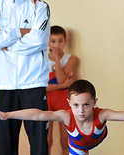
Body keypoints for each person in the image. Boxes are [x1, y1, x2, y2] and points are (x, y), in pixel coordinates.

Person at [0, 80, 124, 155]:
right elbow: (38, 114)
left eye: (86, 105)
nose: (81, 111)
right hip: (78, 146)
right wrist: (8, 114)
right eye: (76, 105)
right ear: (69, 103)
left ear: (95, 102)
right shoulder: (66, 116)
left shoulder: (101, 114)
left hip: (96, 136)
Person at [0, 0, 50, 155]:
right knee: (5, 146)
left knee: (39, 144)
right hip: (3, 85)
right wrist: (20, 32)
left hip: (34, 83)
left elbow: (39, 39)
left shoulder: (40, 7)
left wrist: (5, 44)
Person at [47, 25, 78, 155]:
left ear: (65, 41)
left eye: (60, 41)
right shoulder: (41, 58)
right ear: (48, 42)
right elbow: (44, 88)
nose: (57, 45)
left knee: (65, 141)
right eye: (53, 41)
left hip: (63, 101)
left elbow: (60, 79)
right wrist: (64, 85)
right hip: (47, 100)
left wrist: (58, 59)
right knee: (47, 140)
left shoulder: (71, 59)